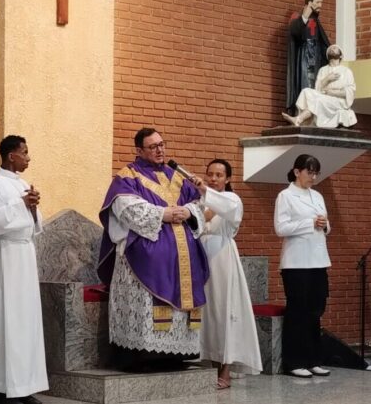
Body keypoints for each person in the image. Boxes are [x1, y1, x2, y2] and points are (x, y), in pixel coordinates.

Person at [97, 127, 209, 370]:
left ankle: (175, 355)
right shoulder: (128, 176)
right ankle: (141, 355)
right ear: (139, 150)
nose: (160, 150)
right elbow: (125, 208)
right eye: (153, 146)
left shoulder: (177, 176)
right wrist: (164, 213)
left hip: (182, 259)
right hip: (145, 258)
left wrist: (189, 211)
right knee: (147, 307)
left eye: (162, 144)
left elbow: (199, 204)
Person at [0, 135, 47, 404]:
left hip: (24, 255)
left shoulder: (23, 184)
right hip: (6, 255)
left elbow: (35, 224)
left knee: (26, 322)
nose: (28, 157)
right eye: (24, 153)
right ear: (11, 155)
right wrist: (22, 205)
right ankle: (2, 387)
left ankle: (24, 386)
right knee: (7, 320)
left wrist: (34, 207)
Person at [191, 159, 262, 389]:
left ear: (228, 178)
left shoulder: (232, 199)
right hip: (200, 254)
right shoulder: (199, 200)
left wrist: (204, 194)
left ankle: (226, 370)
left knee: (225, 311)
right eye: (210, 174)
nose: (213, 178)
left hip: (222, 257)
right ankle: (210, 365)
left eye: (219, 175)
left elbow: (218, 211)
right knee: (207, 312)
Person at [274, 154, 331, 378]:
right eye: (310, 172)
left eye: (316, 173)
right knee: (297, 312)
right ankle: (294, 361)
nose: (313, 176)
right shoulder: (285, 196)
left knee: (316, 311)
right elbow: (281, 228)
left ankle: (313, 359)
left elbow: (326, 225)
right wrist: (310, 223)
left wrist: (325, 225)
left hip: (318, 260)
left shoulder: (317, 195)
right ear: (297, 172)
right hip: (296, 263)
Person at [282, 45, 357, 128]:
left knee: (318, 100)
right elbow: (317, 89)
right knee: (306, 91)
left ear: (341, 55)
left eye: (335, 48)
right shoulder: (322, 70)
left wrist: (332, 92)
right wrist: (327, 79)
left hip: (338, 101)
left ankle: (299, 119)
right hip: (324, 95)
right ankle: (302, 118)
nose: (332, 49)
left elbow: (350, 92)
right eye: (330, 49)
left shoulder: (346, 71)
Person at [286, 0, 330, 115]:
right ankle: (301, 113)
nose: (320, 5)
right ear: (309, 3)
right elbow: (295, 32)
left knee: (315, 85)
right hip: (303, 57)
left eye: (321, 2)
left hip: (316, 58)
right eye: (317, 2)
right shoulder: (298, 17)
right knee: (305, 83)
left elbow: (323, 43)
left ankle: (312, 114)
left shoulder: (316, 21)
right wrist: (304, 17)